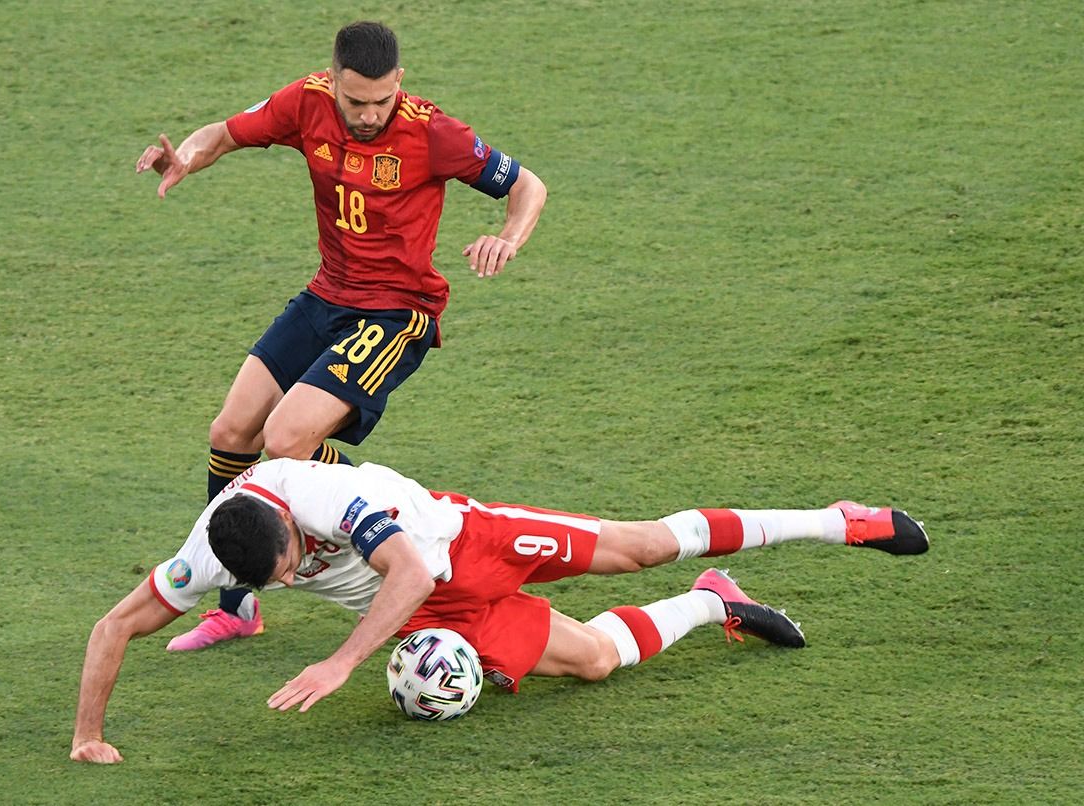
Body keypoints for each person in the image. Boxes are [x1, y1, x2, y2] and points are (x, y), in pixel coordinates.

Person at [70, 457, 929, 764]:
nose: (293, 582)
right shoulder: (210, 549)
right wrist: (87, 733)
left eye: (295, 566)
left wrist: (339, 662)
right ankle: (712, 607)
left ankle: (834, 522)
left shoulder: (324, 497)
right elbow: (117, 625)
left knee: (639, 546)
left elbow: (405, 573)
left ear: (295, 526)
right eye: (274, 585)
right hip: (427, 608)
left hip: (463, 543)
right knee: (594, 661)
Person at [134, 21, 547, 650]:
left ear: (399, 84)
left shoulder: (434, 133)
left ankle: (399, 534)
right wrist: (187, 157)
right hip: (326, 296)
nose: (368, 114)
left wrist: (507, 238)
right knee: (231, 433)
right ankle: (238, 604)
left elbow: (526, 186)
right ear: (332, 83)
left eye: (381, 101)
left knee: (287, 439)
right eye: (355, 102)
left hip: (397, 314)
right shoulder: (305, 102)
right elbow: (222, 134)